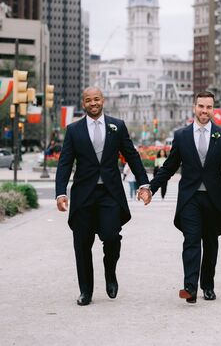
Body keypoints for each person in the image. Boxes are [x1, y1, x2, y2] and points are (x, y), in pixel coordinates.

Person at [139, 91, 221, 304]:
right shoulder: (181, 136)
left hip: (213, 199)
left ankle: (208, 285)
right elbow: (169, 167)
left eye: (209, 107)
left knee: (211, 243)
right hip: (190, 198)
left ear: (213, 109)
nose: (204, 111)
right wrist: (150, 188)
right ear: (194, 107)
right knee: (191, 241)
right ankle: (190, 287)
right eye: (201, 106)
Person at [55, 86, 151, 306]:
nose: (93, 103)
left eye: (96, 99)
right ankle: (85, 291)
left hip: (110, 194)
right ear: (83, 104)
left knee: (111, 236)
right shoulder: (73, 130)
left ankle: (110, 272)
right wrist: (61, 192)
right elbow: (64, 163)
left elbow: (132, 156)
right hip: (83, 196)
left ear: (103, 100)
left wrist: (144, 184)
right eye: (88, 100)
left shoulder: (117, 126)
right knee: (82, 244)